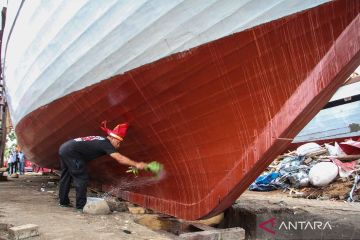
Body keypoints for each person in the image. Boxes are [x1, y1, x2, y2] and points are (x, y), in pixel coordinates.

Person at [58, 121, 148, 210]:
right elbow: (119, 158)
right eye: (118, 143)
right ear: (113, 139)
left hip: (64, 148)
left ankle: (63, 202)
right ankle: (81, 206)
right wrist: (137, 164)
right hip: (72, 153)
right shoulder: (106, 144)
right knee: (81, 178)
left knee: (66, 176)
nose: (118, 146)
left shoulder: (101, 139)